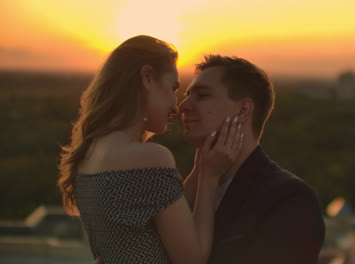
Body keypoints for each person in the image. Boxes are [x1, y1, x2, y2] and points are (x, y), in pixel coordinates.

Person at [57, 35, 244, 264]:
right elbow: (192, 259)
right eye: (172, 88)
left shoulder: (87, 154)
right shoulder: (150, 157)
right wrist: (209, 178)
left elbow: (158, 213)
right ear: (147, 78)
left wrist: (199, 168)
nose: (175, 107)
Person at [180, 55, 326, 263]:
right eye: (186, 95)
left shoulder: (290, 198)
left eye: (202, 96)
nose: (183, 106)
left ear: (243, 110)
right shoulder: (192, 185)